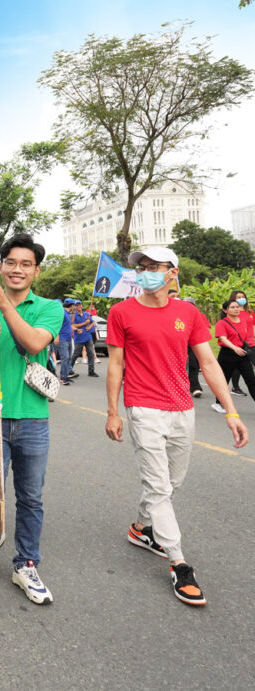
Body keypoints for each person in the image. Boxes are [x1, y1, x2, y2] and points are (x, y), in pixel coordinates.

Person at [105, 247, 248, 607]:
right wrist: (113, 411)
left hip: (183, 408)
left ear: (173, 273)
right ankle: (179, 562)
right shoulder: (121, 312)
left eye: (156, 267)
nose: (148, 272)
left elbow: (209, 363)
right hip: (143, 408)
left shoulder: (189, 313)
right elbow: (116, 366)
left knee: (171, 484)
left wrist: (231, 411)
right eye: (144, 267)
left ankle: (142, 528)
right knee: (157, 485)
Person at [0, 233, 63, 605]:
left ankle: (26, 563)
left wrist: (5, 308)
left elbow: (36, 343)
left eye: (26, 264)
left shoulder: (50, 307)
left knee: (30, 496)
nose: (17, 269)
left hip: (33, 417)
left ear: (35, 271)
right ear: (0, 266)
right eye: (11, 262)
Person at [211, 299, 255, 413]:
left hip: (242, 353)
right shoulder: (222, 323)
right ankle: (218, 403)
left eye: (237, 307)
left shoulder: (242, 321)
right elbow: (222, 338)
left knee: (251, 380)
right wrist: (234, 348)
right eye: (232, 307)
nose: (236, 309)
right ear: (225, 310)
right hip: (228, 354)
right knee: (224, 380)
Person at [227, 291, 255, 397]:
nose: (241, 299)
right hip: (239, 343)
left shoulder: (250, 312)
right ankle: (235, 387)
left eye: (243, 297)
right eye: (238, 297)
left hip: (251, 343)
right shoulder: (233, 312)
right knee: (237, 366)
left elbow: (252, 326)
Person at [70, 301, 98, 377]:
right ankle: (69, 369)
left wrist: (89, 326)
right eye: (77, 305)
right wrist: (84, 324)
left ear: (82, 306)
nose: (78, 306)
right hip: (79, 338)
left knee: (91, 353)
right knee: (76, 354)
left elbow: (92, 322)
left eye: (79, 305)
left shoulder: (86, 314)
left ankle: (91, 371)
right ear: (75, 307)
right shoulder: (74, 315)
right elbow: (73, 325)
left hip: (88, 337)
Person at [58, 299, 75, 385]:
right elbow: (57, 324)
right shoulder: (62, 313)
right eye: (74, 306)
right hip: (62, 338)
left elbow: (70, 323)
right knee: (65, 357)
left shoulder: (67, 313)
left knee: (68, 357)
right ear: (71, 306)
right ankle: (63, 377)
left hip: (68, 339)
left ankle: (66, 375)